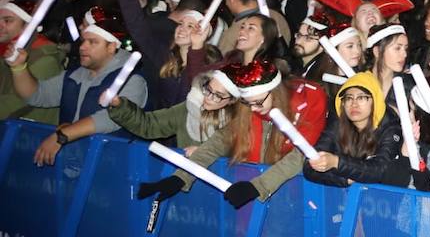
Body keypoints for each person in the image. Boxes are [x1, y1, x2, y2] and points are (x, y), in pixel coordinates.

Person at [134, 59, 324, 208]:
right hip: (254, 190)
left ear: (276, 92)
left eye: (258, 102)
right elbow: (218, 143)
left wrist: (258, 186)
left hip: (291, 197)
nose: (254, 109)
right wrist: (181, 177)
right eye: (248, 103)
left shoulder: (307, 104)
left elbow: (301, 154)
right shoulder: (250, 110)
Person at [12, 13, 149, 164]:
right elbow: (37, 95)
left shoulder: (132, 80)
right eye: (83, 41)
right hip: (71, 162)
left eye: (92, 42)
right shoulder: (76, 74)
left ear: (111, 47)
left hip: (110, 166)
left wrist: (62, 135)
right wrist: (18, 67)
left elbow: (110, 118)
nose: (82, 47)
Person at [304, 71, 410, 188]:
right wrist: (344, 180)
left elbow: (380, 170)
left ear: (375, 100)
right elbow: (309, 166)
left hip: (380, 200)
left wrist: (337, 162)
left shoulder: (390, 127)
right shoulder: (338, 123)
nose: (354, 104)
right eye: (348, 98)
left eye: (361, 98)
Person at [106, 69, 235, 149]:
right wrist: (119, 105)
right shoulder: (190, 108)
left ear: (232, 100)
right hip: (181, 178)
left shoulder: (236, 122)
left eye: (218, 95)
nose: (209, 97)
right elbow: (148, 125)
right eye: (208, 89)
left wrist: (204, 154)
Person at [0, 0, 65, 122]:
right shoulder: (6, 52)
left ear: (27, 27)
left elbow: (20, 102)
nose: (0, 25)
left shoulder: (44, 59)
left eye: (7, 21)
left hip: (30, 134)